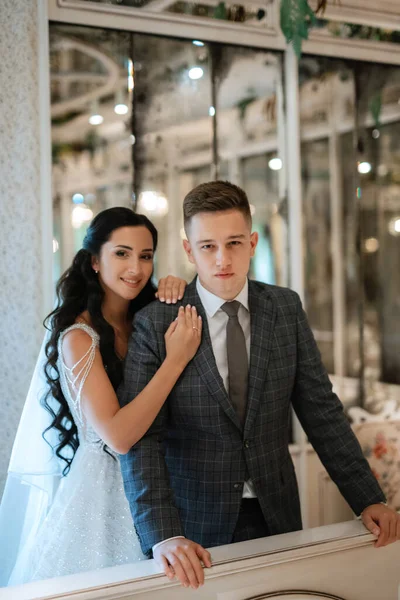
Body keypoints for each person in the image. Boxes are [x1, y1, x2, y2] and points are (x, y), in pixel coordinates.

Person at [118, 181, 400, 590]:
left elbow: (321, 410)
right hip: (192, 526)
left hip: (278, 513)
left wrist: (367, 496)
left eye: (234, 243)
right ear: (188, 250)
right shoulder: (155, 323)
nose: (222, 259)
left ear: (252, 242)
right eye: (208, 246)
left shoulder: (285, 308)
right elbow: (144, 439)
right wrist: (163, 533)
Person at [1, 207, 201, 586]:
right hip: (102, 499)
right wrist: (174, 361)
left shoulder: (145, 319)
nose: (136, 268)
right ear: (94, 261)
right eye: (122, 253)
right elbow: (118, 436)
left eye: (145, 256)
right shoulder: (79, 337)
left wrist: (179, 290)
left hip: (159, 478)